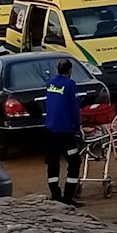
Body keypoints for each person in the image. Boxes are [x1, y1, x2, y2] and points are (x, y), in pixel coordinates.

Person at [42, 59, 84, 205]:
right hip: (64, 132)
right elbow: (74, 109)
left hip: (49, 130)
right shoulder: (70, 85)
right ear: (70, 70)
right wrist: (77, 128)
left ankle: (55, 194)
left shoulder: (50, 83)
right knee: (74, 162)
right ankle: (68, 197)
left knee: (53, 162)